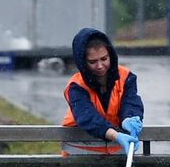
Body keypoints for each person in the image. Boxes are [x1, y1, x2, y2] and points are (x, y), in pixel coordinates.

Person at [60, 26, 145, 157]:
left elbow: (130, 102)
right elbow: (87, 117)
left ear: (110, 55)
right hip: (80, 153)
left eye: (104, 59)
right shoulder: (76, 86)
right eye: (92, 61)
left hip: (117, 153)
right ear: (83, 62)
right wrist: (115, 135)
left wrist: (129, 118)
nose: (100, 66)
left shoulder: (126, 77)